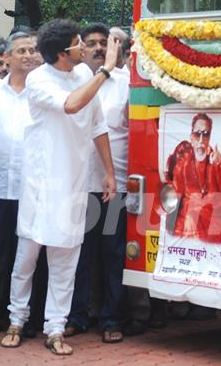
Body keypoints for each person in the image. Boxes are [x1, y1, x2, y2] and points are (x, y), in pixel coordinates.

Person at [0, 19, 117, 356]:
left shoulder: (83, 76)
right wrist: (105, 71)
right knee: (27, 257)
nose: (85, 47)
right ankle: (17, 320)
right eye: (80, 43)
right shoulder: (39, 80)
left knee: (66, 258)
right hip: (41, 183)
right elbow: (71, 105)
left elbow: (98, 126)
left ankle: (55, 327)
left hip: (75, 181)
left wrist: (108, 172)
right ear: (64, 53)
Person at [65, 23, 129, 343]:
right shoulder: (71, 81)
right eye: (91, 43)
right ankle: (76, 317)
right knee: (77, 254)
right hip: (77, 184)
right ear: (81, 48)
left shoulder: (125, 84)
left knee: (112, 253)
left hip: (113, 184)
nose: (98, 48)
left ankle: (111, 319)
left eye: (104, 43)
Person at [0, 31, 38, 337]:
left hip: (32, 187)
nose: (28, 55)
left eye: (32, 50)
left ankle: (25, 317)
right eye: (22, 50)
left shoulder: (42, 94)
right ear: (8, 57)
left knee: (28, 257)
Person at [167, 113, 221, 243]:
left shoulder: (217, 160)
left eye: (205, 134)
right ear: (191, 137)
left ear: (209, 137)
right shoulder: (183, 162)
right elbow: (175, 195)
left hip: (212, 233)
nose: (201, 139)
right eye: (197, 134)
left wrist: (219, 163)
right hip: (187, 230)